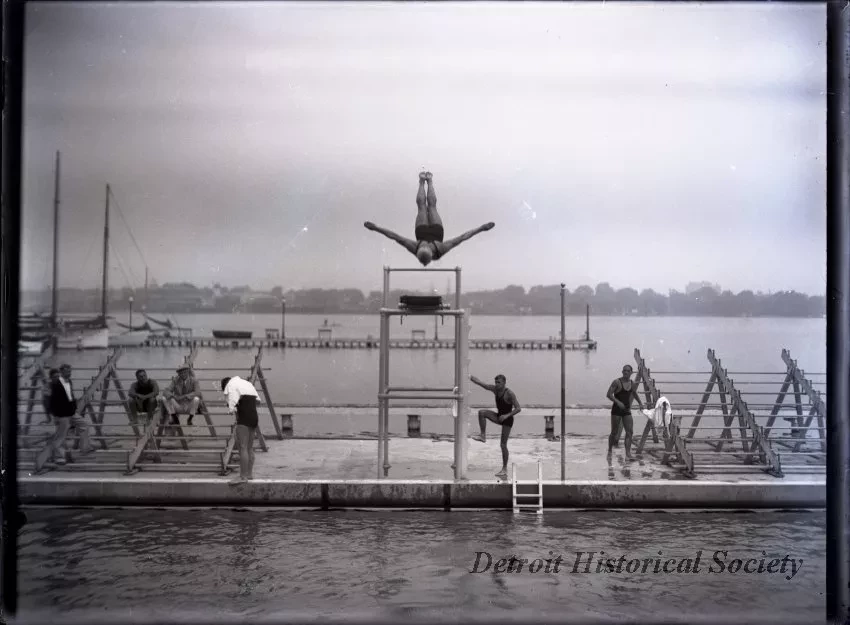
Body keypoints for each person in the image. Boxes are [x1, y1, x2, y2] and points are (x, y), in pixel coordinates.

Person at [364, 172, 495, 266]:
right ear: (431, 250)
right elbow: (462, 237)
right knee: (432, 207)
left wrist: (376, 228)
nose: (426, 244)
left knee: (421, 206)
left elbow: (394, 236)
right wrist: (481, 228)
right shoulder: (441, 249)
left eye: (425, 245)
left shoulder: (414, 247)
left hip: (421, 232)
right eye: (427, 245)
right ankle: (430, 182)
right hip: (437, 232)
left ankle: (421, 181)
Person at [470, 373, 522, 479]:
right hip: (499, 417)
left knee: (503, 445)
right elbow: (481, 384)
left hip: (507, 420)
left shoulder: (509, 393)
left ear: (504, 383)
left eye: (499, 382)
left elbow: (518, 408)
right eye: (496, 382)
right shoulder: (495, 390)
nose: (497, 384)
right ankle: (483, 436)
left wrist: (507, 415)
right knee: (482, 413)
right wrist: (469, 376)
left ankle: (504, 469)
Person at [46, 364, 93, 465]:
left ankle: (85, 448)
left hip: (71, 412)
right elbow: (51, 401)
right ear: (62, 372)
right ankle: (60, 458)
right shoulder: (55, 383)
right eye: (67, 371)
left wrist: (74, 407)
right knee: (61, 436)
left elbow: (70, 396)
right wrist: (55, 414)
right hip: (61, 414)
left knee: (84, 425)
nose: (70, 373)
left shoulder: (69, 382)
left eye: (70, 371)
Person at [221, 375, 261, 485]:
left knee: (242, 447)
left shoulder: (231, 385)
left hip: (243, 419)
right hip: (254, 417)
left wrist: (231, 408)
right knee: (249, 447)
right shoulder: (248, 384)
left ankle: (242, 477)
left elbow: (231, 402)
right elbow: (258, 402)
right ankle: (249, 474)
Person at [606, 364, 645, 461]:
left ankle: (628, 454)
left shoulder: (632, 383)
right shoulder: (617, 382)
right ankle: (610, 450)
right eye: (624, 370)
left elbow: (634, 393)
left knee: (630, 432)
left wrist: (640, 403)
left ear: (631, 372)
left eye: (628, 371)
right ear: (622, 372)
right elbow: (609, 394)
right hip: (616, 410)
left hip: (626, 410)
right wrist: (618, 402)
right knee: (614, 432)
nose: (626, 372)